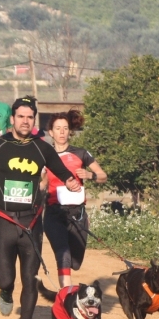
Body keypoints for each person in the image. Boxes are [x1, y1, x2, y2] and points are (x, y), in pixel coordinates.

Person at [0, 97, 82, 319]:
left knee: (30, 277)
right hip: (3, 221)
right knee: (5, 278)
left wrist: (70, 181)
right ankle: (5, 290)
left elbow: (60, 169)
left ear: (34, 120)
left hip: (32, 223)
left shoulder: (41, 148)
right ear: (12, 119)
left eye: (29, 117)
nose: (25, 121)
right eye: (20, 116)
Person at [43, 109, 107, 287]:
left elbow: (103, 175)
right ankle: (67, 296)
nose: (62, 132)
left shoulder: (81, 153)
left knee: (75, 262)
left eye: (65, 128)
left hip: (77, 214)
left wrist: (89, 175)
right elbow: (39, 182)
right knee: (63, 254)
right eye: (58, 128)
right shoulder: (45, 155)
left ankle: (68, 286)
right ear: (51, 132)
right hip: (54, 213)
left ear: (70, 131)